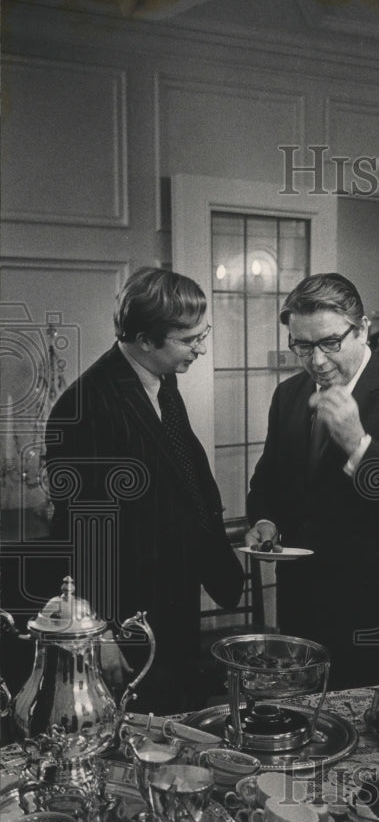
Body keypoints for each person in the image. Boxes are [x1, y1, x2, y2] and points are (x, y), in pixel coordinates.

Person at [45, 267, 245, 713]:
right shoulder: (84, 406)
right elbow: (80, 533)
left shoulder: (161, 379)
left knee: (177, 720)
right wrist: (99, 628)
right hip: (127, 615)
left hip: (173, 596)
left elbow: (179, 476)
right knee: (138, 734)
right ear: (144, 339)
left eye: (202, 333)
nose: (201, 348)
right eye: (189, 339)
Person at [245, 272, 379, 690]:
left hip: (373, 613)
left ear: (363, 329)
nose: (316, 360)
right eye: (302, 346)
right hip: (300, 606)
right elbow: (268, 480)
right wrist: (264, 519)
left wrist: (360, 445)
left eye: (329, 343)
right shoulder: (288, 395)